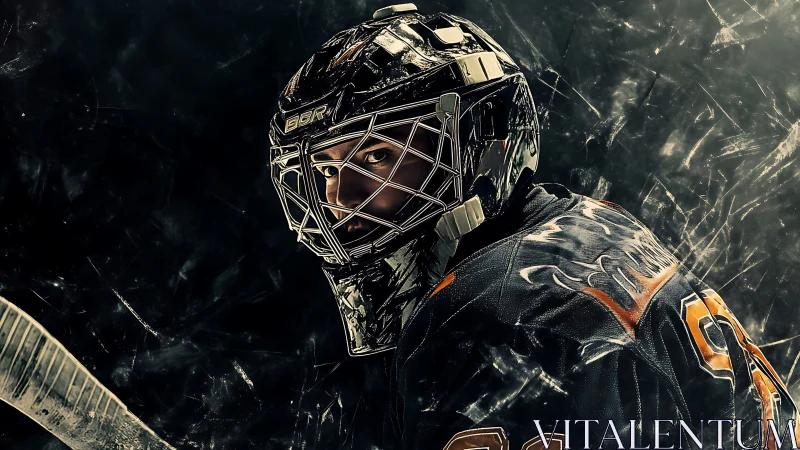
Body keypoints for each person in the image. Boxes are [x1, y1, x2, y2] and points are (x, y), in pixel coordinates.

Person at [268, 4, 799, 449]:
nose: (340, 199)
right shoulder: (587, 223)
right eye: (327, 169)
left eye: (379, 155)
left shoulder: (492, 315)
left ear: (484, 138)